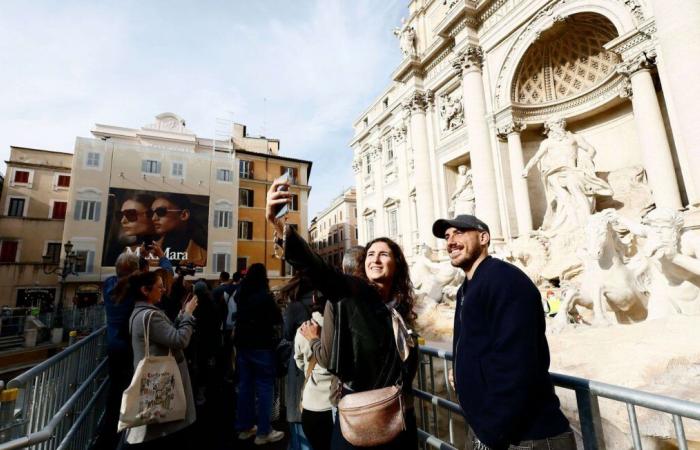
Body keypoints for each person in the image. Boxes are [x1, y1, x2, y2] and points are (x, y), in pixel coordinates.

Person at [267, 176, 419, 450]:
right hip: (360, 422)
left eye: (384, 254)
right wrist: (279, 227)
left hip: (399, 423)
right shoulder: (356, 293)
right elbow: (319, 270)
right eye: (371, 254)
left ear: (397, 264)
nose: (375, 258)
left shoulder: (400, 310)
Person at [432, 214, 575, 450]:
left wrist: (491, 432)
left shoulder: (505, 281)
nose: (450, 241)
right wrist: (461, 369)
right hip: (492, 431)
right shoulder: (466, 288)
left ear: (484, 237)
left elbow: (518, 363)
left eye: (459, 233)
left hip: (525, 438)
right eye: (447, 236)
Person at [95, 245, 172, 450]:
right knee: (136, 396)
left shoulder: (108, 284)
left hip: (114, 348)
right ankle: (131, 440)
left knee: (115, 395)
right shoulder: (136, 289)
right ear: (137, 271)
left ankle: (108, 438)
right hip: (134, 350)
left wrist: (137, 257)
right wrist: (162, 256)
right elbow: (166, 275)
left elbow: (125, 273)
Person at [123, 270, 198, 447]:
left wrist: (180, 316)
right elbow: (180, 340)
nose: (163, 289)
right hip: (162, 380)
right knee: (165, 430)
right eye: (159, 286)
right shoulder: (151, 316)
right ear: (145, 290)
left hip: (152, 378)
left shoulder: (139, 313)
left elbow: (168, 334)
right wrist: (188, 315)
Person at [522, 118, 612, 236]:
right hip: (554, 173)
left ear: (563, 124)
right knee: (564, 199)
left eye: (558, 123)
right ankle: (574, 225)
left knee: (576, 189)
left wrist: (586, 158)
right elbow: (536, 157)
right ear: (549, 128)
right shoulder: (547, 142)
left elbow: (591, 149)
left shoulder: (574, 137)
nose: (556, 126)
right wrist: (527, 169)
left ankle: (588, 221)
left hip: (572, 170)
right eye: (553, 124)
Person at [234, 263, 285, 445]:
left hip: (243, 345)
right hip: (262, 345)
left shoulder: (241, 294)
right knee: (265, 387)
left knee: (245, 387)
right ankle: (264, 432)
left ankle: (245, 427)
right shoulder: (264, 297)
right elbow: (277, 319)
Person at [280, 271, 316, 450]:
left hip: (300, 361)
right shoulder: (320, 303)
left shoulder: (294, 307)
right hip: (318, 362)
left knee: (297, 409)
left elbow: (286, 333)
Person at [295, 289, 334, 450]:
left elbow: (299, 361)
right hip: (336, 404)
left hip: (311, 404)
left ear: (313, 299)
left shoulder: (303, 329)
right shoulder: (341, 329)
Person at [151, 194, 207, 266]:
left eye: (161, 212)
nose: (153, 218)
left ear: (184, 215)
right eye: (151, 213)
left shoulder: (205, 255)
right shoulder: (147, 251)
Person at [191, 280, 222, 407]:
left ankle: (199, 393)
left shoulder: (194, 306)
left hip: (198, 340)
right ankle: (211, 392)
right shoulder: (214, 305)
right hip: (212, 340)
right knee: (210, 366)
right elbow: (218, 321)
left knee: (199, 366)